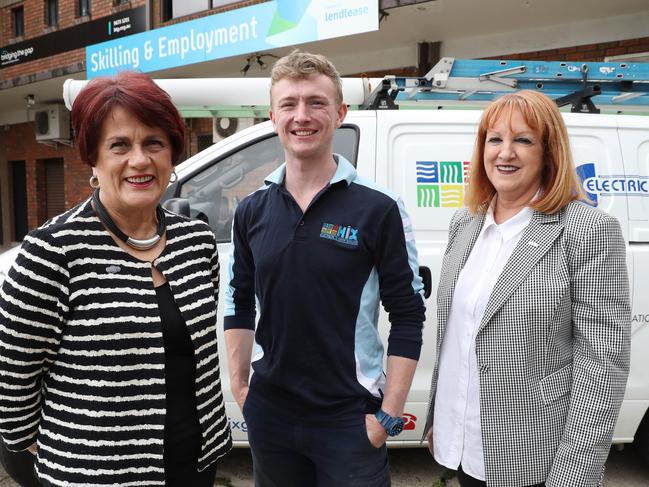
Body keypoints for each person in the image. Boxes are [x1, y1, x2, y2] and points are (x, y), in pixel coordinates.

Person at [0, 71, 232, 487]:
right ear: (94, 158)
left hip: (194, 466)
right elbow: (12, 382)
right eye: (119, 145)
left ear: (172, 154)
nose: (139, 160)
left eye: (154, 143)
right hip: (96, 476)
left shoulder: (196, 243)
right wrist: (64, 453)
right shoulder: (53, 252)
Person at [224, 50, 426, 486]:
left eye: (316, 102)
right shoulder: (252, 211)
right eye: (289, 104)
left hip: (349, 421)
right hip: (271, 417)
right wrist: (242, 391)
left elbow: (408, 314)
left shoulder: (379, 208)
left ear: (339, 113)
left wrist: (387, 415)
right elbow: (238, 302)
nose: (302, 116)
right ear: (273, 116)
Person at [423, 90, 631, 486]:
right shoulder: (464, 223)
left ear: (549, 152)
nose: (505, 153)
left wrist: (575, 472)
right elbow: (458, 338)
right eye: (495, 139)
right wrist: (444, 420)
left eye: (523, 140)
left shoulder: (587, 231)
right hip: (465, 449)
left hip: (535, 459)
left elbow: (603, 365)